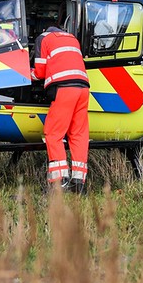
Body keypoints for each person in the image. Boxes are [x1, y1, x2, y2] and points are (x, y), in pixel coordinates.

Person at [33, 18, 90, 193]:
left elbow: (40, 72)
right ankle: (79, 183)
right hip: (83, 88)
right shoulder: (72, 38)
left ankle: (59, 182)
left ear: (44, 29)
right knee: (78, 134)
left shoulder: (43, 38)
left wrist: (27, 74)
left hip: (64, 88)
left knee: (53, 133)